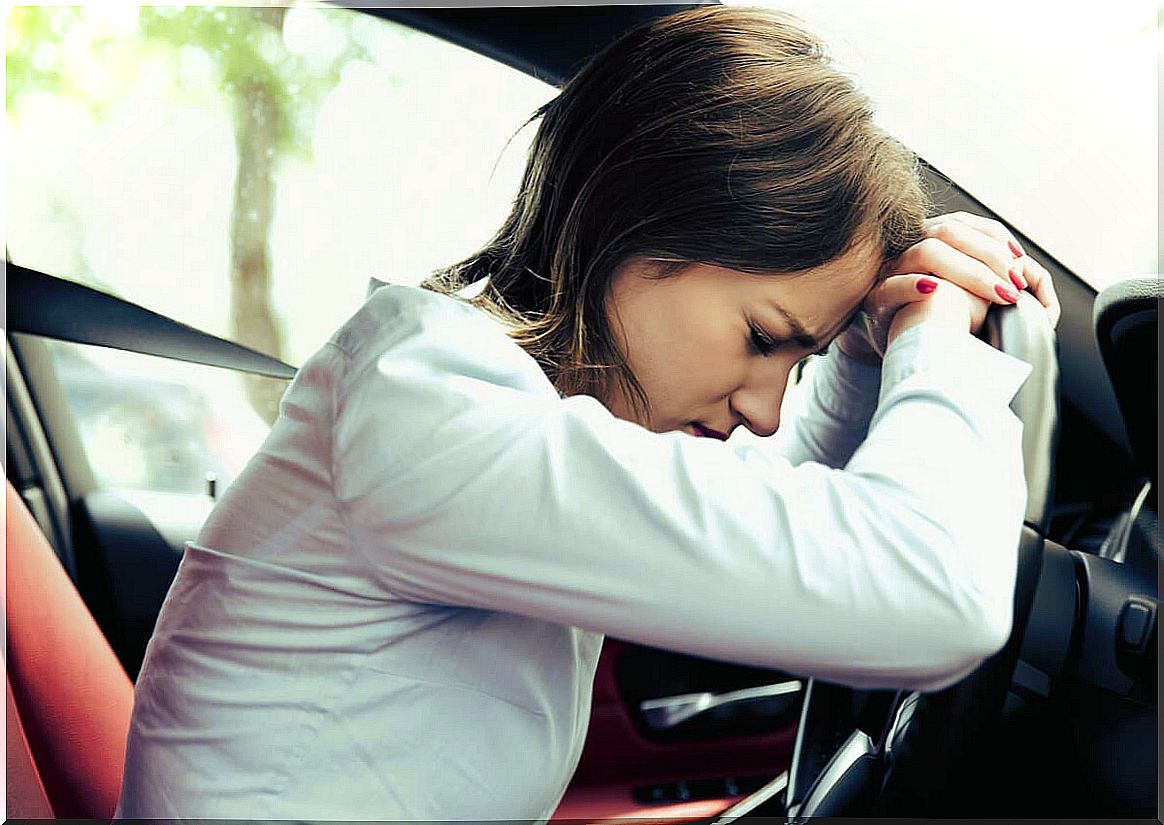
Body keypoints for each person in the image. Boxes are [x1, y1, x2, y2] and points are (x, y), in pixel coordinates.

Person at [115, 5, 1059, 821]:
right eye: (766, 337)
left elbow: (764, 506)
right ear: (637, 223)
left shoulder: (503, 414)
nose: (770, 412)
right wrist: (939, 338)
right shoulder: (424, 412)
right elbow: (936, 597)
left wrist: (861, 352)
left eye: (798, 360)